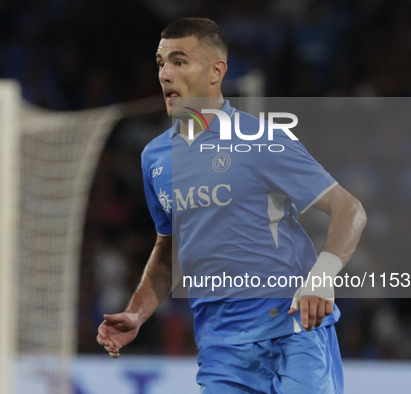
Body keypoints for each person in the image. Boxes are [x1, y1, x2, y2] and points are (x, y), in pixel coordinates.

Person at [97, 17, 367, 393]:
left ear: (216, 71)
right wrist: (136, 312)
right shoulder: (155, 157)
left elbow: (349, 209)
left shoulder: (261, 139)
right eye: (161, 63)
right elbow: (170, 246)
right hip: (221, 349)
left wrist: (321, 277)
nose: (165, 75)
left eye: (179, 61)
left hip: (291, 333)